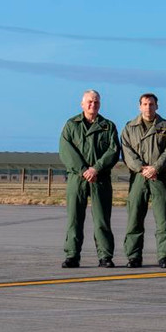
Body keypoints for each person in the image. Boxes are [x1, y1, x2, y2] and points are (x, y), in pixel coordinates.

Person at [59, 89, 120, 268]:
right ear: (82, 104)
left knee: (102, 219)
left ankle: (105, 256)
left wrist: (96, 169)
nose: (93, 105)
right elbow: (65, 150)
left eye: (96, 102)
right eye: (90, 102)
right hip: (77, 178)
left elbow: (113, 150)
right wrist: (83, 170)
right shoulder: (71, 125)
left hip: (99, 179)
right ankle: (72, 255)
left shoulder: (107, 126)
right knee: (74, 218)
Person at [119, 92, 166, 269]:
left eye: (151, 104)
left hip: (159, 177)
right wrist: (141, 168)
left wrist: (156, 168)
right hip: (138, 177)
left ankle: (164, 256)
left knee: (163, 219)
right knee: (135, 218)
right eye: (145, 104)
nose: (148, 107)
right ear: (139, 106)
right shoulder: (130, 127)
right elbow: (126, 150)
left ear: (157, 106)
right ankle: (134, 256)